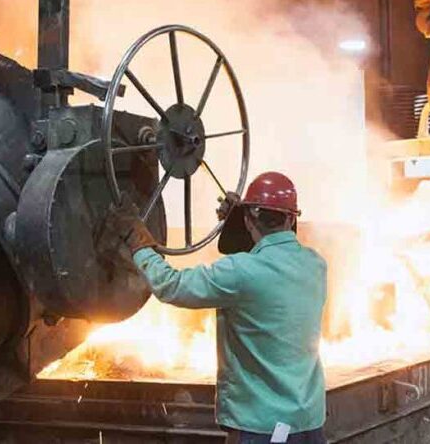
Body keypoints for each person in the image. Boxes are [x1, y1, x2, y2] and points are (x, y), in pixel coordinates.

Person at [108, 172, 327, 444]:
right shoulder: (316, 265)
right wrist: (237, 219)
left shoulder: (239, 273)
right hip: (309, 423)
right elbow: (267, 254)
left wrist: (137, 241)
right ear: (292, 218)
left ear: (250, 220)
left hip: (261, 428)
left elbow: (171, 285)